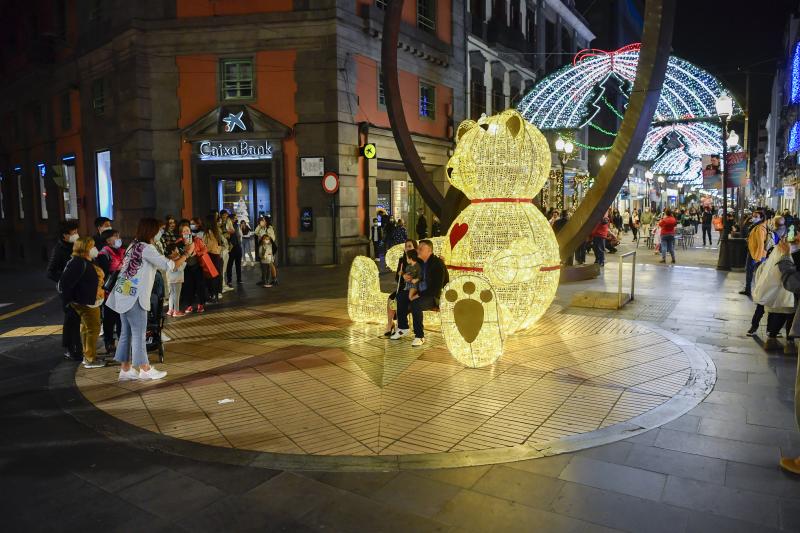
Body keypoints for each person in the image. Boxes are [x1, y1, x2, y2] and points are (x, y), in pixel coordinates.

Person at [107, 218, 193, 381]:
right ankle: (144, 369)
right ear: (151, 231)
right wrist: (187, 253)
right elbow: (169, 265)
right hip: (135, 297)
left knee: (126, 333)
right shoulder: (147, 248)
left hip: (123, 294)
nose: (160, 232)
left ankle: (125, 369)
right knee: (139, 333)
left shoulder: (133, 245)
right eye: (159, 229)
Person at [58, 236, 106, 369]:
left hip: (87, 301)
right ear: (85, 249)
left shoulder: (84, 261)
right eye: (92, 246)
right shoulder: (78, 262)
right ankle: (90, 359)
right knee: (93, 329)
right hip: (85, 303)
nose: (95, 249)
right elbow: (64, 283)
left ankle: (88, 356)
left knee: (87, 328)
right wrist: (69, 301)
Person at [391, 239, 448, 347]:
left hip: (432, 296)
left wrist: (417, 295)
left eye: (421, 248)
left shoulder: (437, 264)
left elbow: (435, 288)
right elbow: (410, 267)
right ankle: (403, 327)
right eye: (418, 248)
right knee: (400, 296)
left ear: (429, 251)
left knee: (415, 303)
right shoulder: (419, 262)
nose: (418, 250)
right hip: (419, 291)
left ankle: (419, 336)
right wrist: (406, 276)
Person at [48, 221, 82, 361]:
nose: (76, 235)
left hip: (79, 289)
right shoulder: (59, 249)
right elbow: (50, 272)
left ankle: (74, 348)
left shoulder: (77, 246)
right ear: (64, 235)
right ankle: (74, 350)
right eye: (73, 233)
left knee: (75, 319)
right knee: (71, 319)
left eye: (76, 232)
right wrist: (64, 280)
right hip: (67, 291)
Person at [96, 228, 124, 354]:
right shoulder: (103, 254)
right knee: (109, 318)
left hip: (122, 290)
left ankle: (122, 342)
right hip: (109, 292)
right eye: (115, 236)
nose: (118, 238)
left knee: (121, 318)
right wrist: (117, 270)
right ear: (108, 240)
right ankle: (109, 342)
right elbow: (103, 273)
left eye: (118, 235)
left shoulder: (121, 251)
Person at [383, 239, 417, 336]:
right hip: (403, 288)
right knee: (391, 298)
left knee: (402, 300)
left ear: (415, 247)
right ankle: (390, 325)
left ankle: (402, 325)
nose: (407, 248)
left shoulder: (418, 260)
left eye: (410, 246)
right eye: (406, 246)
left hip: (414, 289)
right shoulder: (402, 261)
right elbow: (397, 279)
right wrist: (401, 275)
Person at [179, 222, 207, 314]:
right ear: (181, 233)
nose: (186, 232)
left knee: (200, 285)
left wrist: (197, 253)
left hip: (197, 265)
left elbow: (205, 249)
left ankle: (200, 304)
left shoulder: (196, 239)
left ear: (190, 231)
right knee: (188, 286)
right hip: (186, 267)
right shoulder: (179, 242)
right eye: (184, 231)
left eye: (187, 230)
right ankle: (189, 305)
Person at [741, 210, 767, 297]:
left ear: (761, 218)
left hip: (756, 255)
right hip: (753, 252)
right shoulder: (756, 226)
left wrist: (757, 257)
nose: (753, 218)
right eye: (753, 216)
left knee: (754, 274)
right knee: (751, 273)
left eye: (756, 216)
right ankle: (749, 290)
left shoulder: (759, 228)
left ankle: (757, 293)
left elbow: (761, 244)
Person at [203, 213, 224, 301]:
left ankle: (214, 294)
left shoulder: (210, 232)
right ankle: (216, 293)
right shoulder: (213, 231)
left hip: (212, 255)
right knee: (215, 275)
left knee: (213, 275)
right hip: (215, 255)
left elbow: (210, 246)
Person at [163, 242, 187, 317]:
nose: (178, 250)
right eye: (176, 249)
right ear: (173, 251)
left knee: (171, 295)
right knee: (176, 295)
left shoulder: (168, 259)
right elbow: (180, 268)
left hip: (170, 279)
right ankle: (176, 311)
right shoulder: (177, 259)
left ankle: (170, 310)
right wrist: (184, 262)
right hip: (177, 279)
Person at [225, 213, 243, 287]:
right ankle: (229, 280)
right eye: (234, 218)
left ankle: (239, 279)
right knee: (230, 264)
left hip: (238, 246)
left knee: (238, 264)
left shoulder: (237, 225)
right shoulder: (227, 226)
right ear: (230, 219)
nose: (236, 219)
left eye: (235, 218)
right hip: (231, 248)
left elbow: (239, 234)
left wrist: (239, 241)